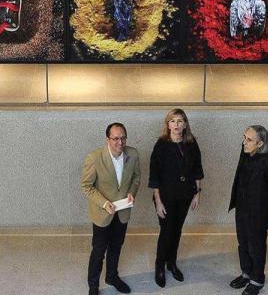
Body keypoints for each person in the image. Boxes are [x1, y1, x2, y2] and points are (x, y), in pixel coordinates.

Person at [81, 122, 141, 295]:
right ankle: (93, 285)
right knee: (99, 251)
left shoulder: (133, 154)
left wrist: (132, 192)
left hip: (122, 213)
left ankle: (112, 276)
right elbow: (86, 186)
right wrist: (104, 203)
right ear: (107, 139)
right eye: (115, 138)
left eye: (123, 138)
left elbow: (137, 177)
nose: (120, 142)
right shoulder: (94, 158)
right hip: (102, 214)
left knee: (116, 246)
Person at [149, 109, 204, 287]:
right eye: (173, 121)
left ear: (185, 124)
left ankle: (171, 263)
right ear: (168, 124)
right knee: (166, 231)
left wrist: (197, 193)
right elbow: (154, 175)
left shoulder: (191, 143)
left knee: (177, 230)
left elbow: (197, 168)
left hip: (185, 195)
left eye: (180, 121)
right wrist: (158, 201)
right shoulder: (161, 145)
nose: (177, 125)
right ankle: (159, 266)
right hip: (165, 197)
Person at [229, 125, 268, 295]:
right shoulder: (246, 153)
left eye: (249, 139)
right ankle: (246, 273)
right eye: (244, 137)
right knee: (243, 243)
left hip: (258, 214)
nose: (244, 142)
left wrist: (261, 200)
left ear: (260, 143)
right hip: (242, 210)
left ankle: (257, 280)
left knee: (256, 247)